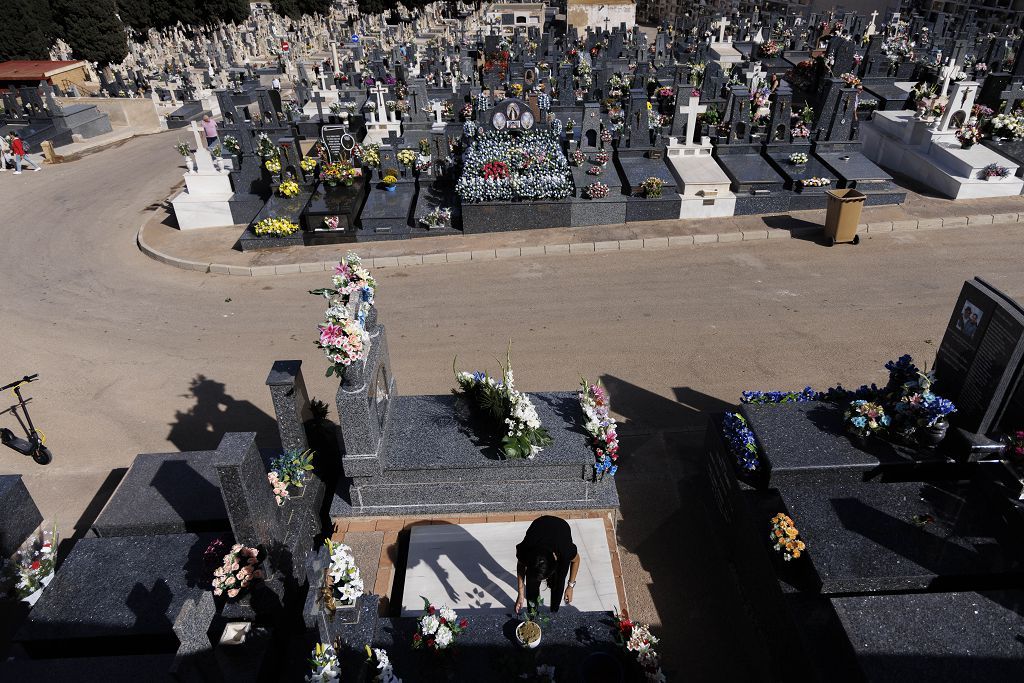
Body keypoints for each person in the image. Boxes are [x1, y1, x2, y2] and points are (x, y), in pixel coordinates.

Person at [515, 515, 580, 614]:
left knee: (558, 582)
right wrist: (520, 592)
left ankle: (554, 610)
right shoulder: (527, 549)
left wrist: (570, 586)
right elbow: (521, 564)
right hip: (539, 526)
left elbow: (576, 560)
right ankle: (533, 614)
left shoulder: (564, 550)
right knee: (531, 584)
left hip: (560, 528)